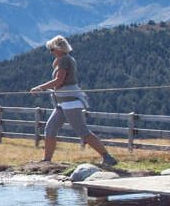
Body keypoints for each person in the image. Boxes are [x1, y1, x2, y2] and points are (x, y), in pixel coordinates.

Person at [30, 35, 118, 168]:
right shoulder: (63, 59)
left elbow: (59, 81)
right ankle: (47, 160)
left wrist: (40, 88)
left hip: (70, 102)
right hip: (63, 103)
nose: (51, 52)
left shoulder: (64, 60)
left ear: (58, 48)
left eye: (52, 49)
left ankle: (107, 157)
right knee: (50, 129)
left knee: (82, 132)